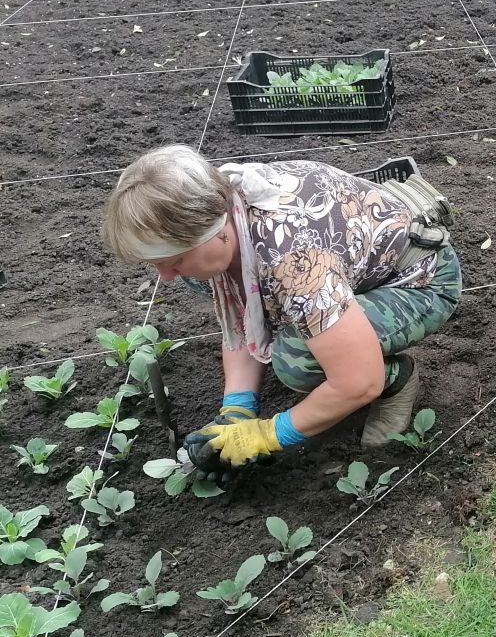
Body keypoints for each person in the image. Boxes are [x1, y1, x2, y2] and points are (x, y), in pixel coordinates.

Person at [102, 144, 461, 481]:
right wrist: (236, 411)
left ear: (215, 233)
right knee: (213, 282)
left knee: (296, 359)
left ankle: (396, 378)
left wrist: (267, 435)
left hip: (417, 279)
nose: (165, 276)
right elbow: (245, 314)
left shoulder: (292, 258)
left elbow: (357, 381)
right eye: (157, 264)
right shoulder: (218, 210)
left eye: (175, 260)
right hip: (346, 267)